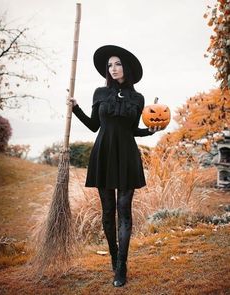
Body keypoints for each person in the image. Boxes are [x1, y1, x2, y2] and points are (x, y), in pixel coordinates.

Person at [69, 45, 163, 287]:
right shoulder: (99, 93)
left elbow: (132, 130)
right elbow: (93, 126)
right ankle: (113, 257)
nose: (113, 68)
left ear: (126, 68)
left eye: (118, 64)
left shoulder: (137, 98)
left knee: (124, 209)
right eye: (110, 65)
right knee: (108, 210)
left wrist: (150, 131)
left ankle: (122, 266)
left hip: (127, 155)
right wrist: (76, 108)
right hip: (104, 154)